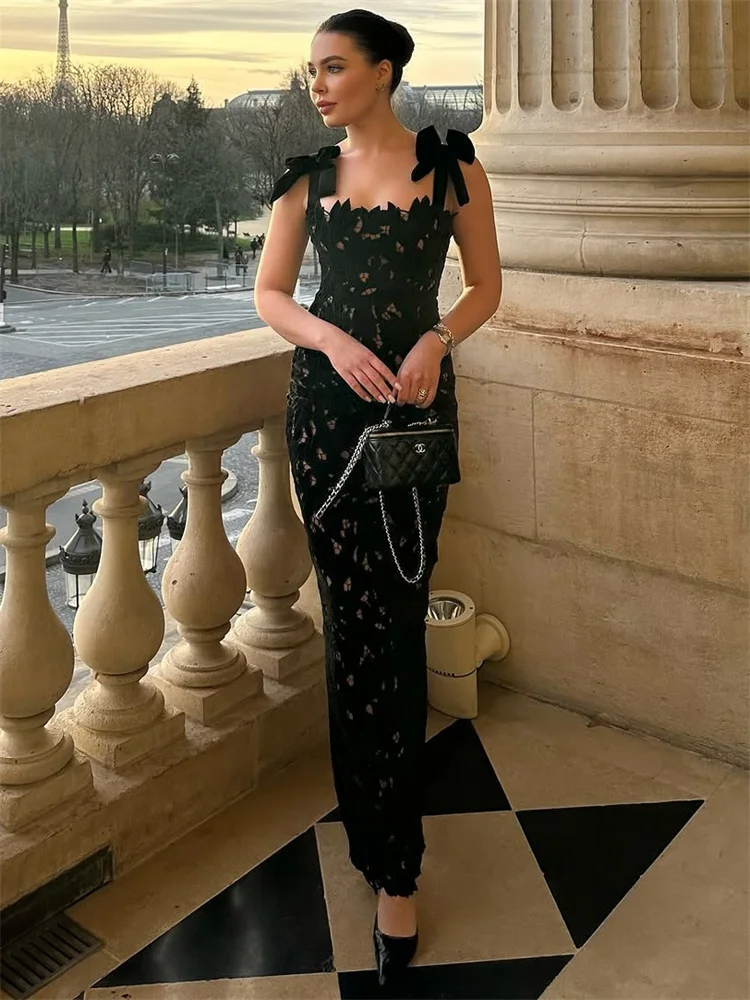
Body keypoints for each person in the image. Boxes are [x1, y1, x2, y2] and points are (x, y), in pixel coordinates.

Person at [255, 8, 501, 986]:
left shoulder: (451, 165)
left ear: (384, 71)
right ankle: (377, 840)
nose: (316, 84)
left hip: (414, 418)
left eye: (333, 67)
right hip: (324, 420)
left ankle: (394, 865)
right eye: (312, 69)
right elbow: (272, 294)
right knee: (350, 626)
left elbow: (485, 286)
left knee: (395, 621)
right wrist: (330, 341)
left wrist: (437, 339)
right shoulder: (305, 178)